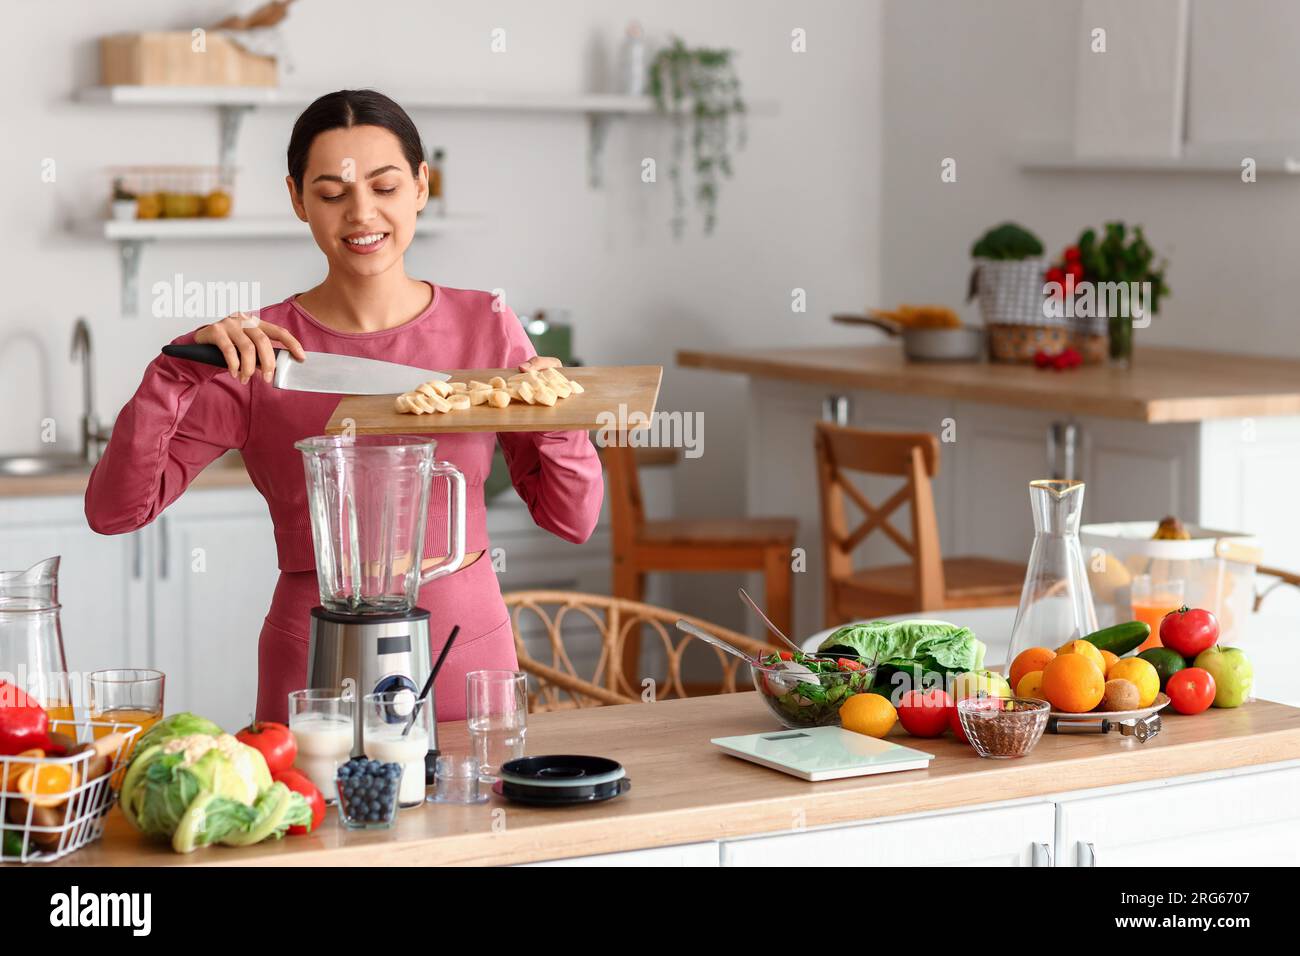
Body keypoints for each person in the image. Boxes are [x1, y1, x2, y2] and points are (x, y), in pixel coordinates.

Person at [85, 89, 604, 722]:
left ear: (421, 186)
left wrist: (555, 410)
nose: (362, 214)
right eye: (332, 194)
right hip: (314, 652)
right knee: (312, 815)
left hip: (464, 642)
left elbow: (572, 518)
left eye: (385, 187)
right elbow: (115, 512)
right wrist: (171, 373)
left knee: (475, 811)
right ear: (298, 199)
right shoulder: (256, 350)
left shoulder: (487, 324)